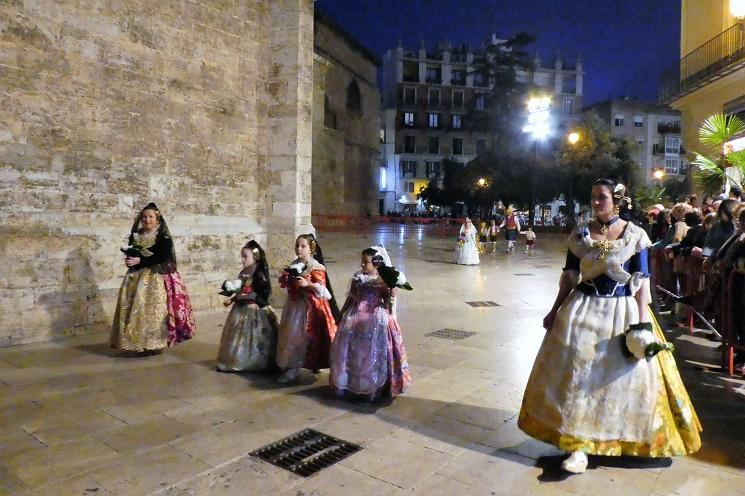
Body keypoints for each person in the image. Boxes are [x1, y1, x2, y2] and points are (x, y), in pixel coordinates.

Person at [518, 179, 701, 475]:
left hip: (622, 311)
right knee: (577, 374)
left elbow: (641, 283)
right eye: (593, 197)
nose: (596, 202)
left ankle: (617, 436)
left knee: (621, 378)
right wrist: (554, 310)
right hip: (582, 309)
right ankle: (578, 445)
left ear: (617, 200)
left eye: (601, 197)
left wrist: (642, 324)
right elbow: (569, 276)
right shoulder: (580, 234)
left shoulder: (635, 235)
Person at [111, 203, 197, 353]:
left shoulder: (162, 237)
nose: (147, 220)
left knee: (152, 310)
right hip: (135, 277)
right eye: (144, 217)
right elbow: (133, 252)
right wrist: (130, 260)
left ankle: (154, 343)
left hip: (155, 277)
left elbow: (163, 257)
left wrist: (141, 261)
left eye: (150, 216)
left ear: (157, 218)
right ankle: (135, 342)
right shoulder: (136, 235)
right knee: (135, 309)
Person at [330, 245, 411, 400]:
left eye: (365, 262)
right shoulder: (358, 278)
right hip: (355, 316)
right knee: (351, 350)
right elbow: (351, 297)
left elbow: (387, 303)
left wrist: (392, 295)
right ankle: (350, 382)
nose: (362, 265)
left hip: (374, 317)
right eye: (362, 261)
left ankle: (372, 386)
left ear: (376, 264)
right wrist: (341, 313)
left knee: (373, 352)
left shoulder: (382, 281)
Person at [276, 234, 337, 383]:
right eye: (297, 245)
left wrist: (308, 284)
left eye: (303, 246)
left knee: (302, 337)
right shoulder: (294, 264)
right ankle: (292, 365)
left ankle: (298, 367)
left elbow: (323, 291)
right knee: (291, 335)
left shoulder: (316, 267)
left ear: (311, 249)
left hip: (309, 308)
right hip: (294, 306)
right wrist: (286, 280)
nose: (299, 249)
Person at [216, 240, 279, 372]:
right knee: (238, 337)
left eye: (246, 256)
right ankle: (239, 359)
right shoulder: (243, 272)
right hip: (240, 308)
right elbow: (240, 289)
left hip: (255, 309)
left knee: (256, 337)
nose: (243, 259)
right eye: (242, 256)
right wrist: (233, 298)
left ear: (255, 257)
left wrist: (245, 297)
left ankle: (257, 360)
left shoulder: (258, 273)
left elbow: (261, 292)